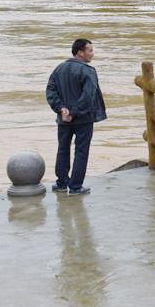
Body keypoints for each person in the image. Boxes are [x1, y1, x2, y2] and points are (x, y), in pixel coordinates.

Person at [46, 38, 107, 195]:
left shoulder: (58, 69)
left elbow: (50, 91)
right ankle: (75, 187)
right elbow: (88, 96)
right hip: (83, 119)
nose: (92, 54)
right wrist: (73, 112)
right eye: (90, 50)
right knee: (81, 151)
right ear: (80, 52)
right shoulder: (88, 71)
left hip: (63, 118)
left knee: (63, 149)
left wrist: (62, 109)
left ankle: (61, 183)